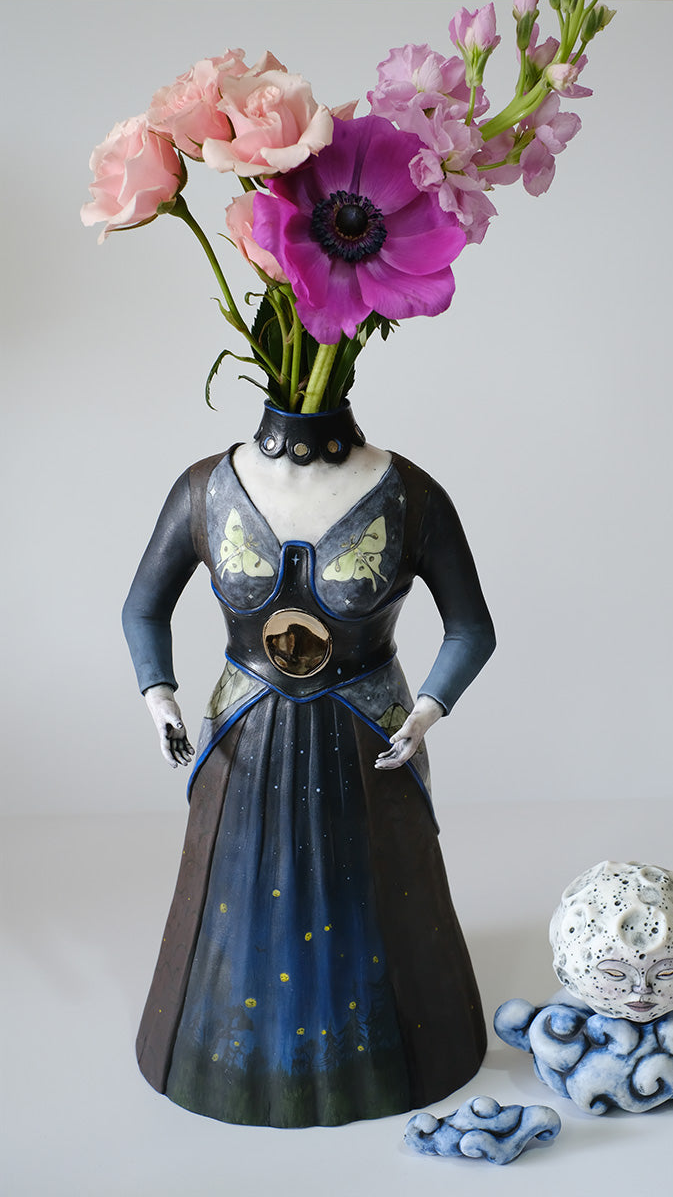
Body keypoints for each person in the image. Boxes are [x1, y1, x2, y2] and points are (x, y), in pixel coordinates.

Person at [122, 401, 495, 1127]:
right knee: (233, 898)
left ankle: (390, 1059)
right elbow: (143, 608)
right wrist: (157, 694)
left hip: (369, 738)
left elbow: (471, 628)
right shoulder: (205, 488)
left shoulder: (411, 495)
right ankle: (222, 1064)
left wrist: (427, 710)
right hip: (243, 741)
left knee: (376, 894)